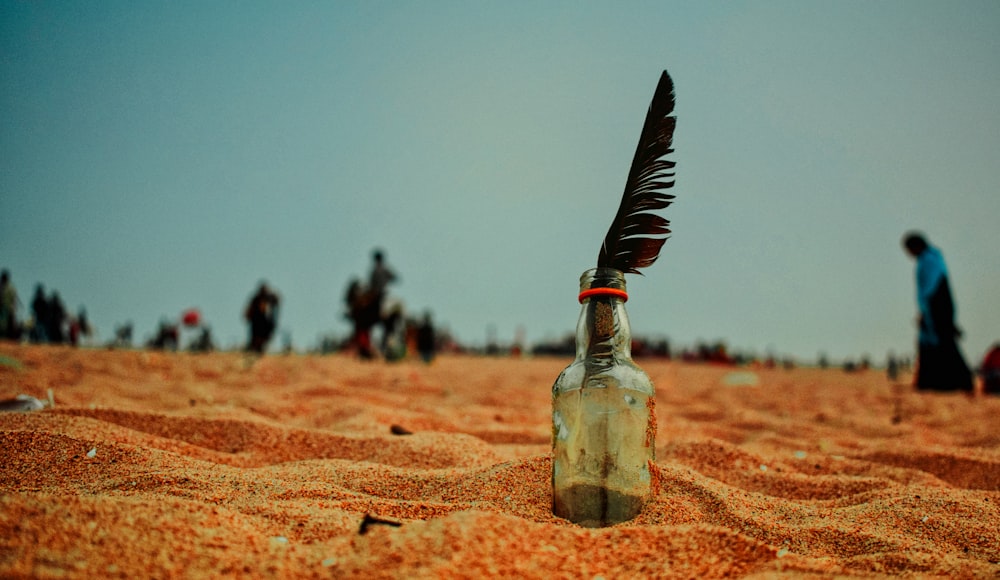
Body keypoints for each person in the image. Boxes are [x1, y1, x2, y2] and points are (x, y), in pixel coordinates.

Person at [902, 232, 973, 392]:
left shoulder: (929, 261)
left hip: (936, 309)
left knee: (942, 343)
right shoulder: (933, 259)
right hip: (937, 308)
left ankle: (955, 383)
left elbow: (929, 289)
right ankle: (935, 383)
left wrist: (926, 312)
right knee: (936, 344)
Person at [244, 282, 280, 354]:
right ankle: (255, 350)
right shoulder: (256, 299)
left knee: (264, 339)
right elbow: (249, 311)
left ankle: (259, 350)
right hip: (257, 323)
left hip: (266, 323)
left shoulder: (270, 298)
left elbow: (278, 300)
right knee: (256, 340)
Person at [0, 270, 20, 340]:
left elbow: (14, 298)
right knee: (3, 325)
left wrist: (14, 306)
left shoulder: (9, 287)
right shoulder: (6, 287)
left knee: (8, 325)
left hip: (8, 309)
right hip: (4, 309)